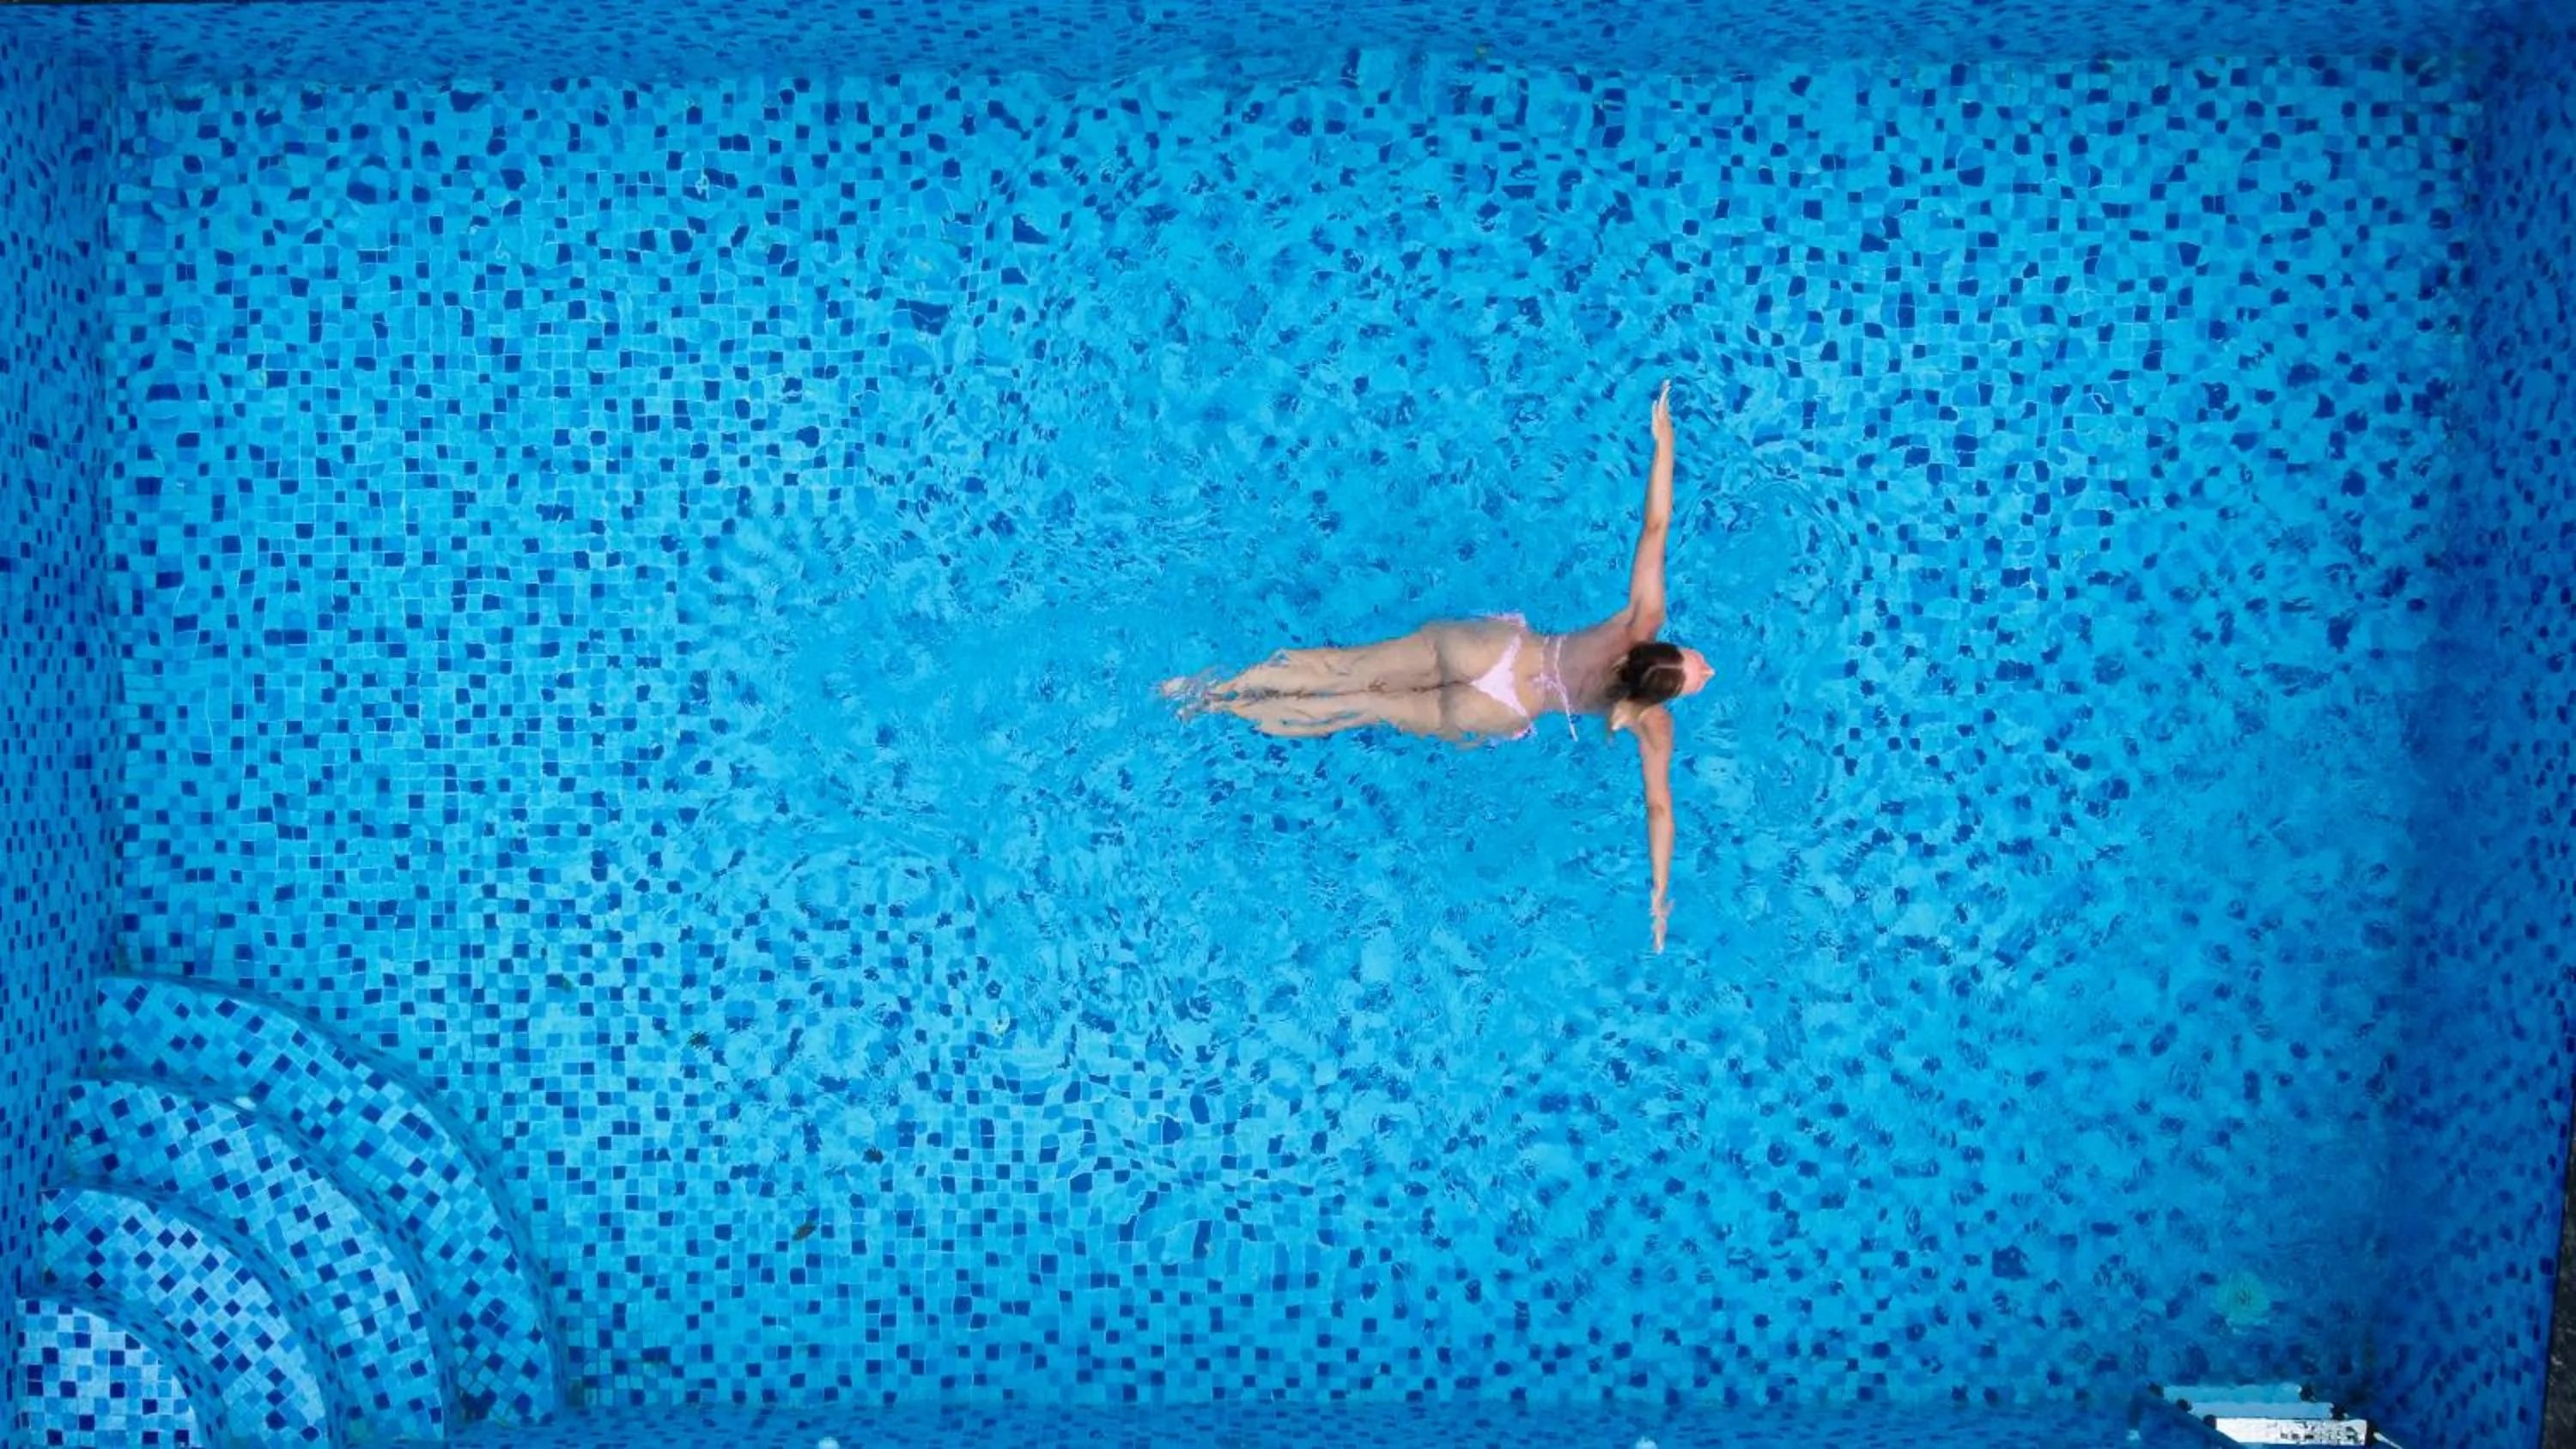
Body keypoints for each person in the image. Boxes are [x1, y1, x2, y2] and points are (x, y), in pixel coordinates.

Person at [1163, 380, 1713, 951]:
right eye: (1699, 675)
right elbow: (1657, 808)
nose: (1707, 671)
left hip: (1495, 648)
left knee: (1344, 669)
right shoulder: (1649, 720)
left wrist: (1663, 443)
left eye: (1700, 671)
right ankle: (1218, 712)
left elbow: (1655, 527)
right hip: (1502, 708)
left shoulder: (1641, 621)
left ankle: (1211, 687)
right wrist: (1659, 894)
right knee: (1359, 706)